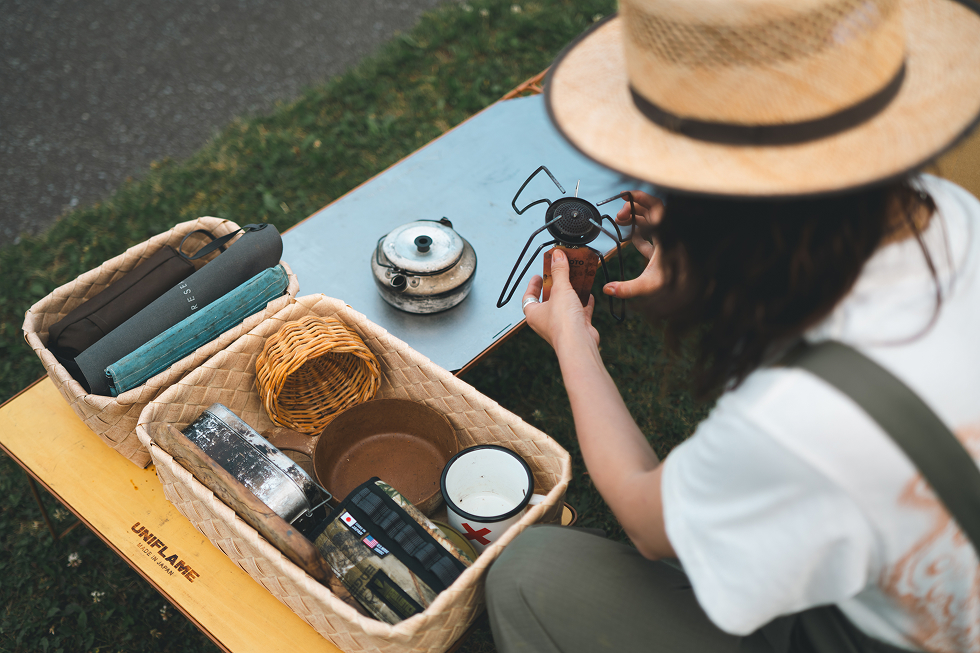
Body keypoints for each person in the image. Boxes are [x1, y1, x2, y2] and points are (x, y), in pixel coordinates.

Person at [484, 0, 980, 651]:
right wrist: (719, 262)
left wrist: (575, 342)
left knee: (530, 575)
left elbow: (646, 518)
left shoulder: (793, 421)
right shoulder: (951, 209)